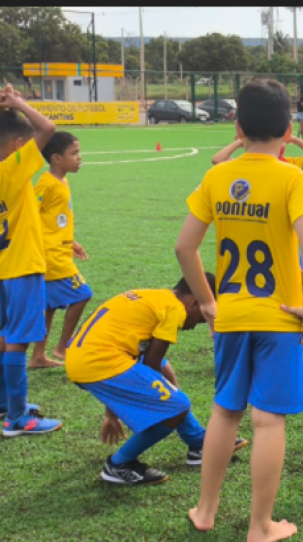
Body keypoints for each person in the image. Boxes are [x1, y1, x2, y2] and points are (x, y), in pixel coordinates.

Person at [177, 79, 303, 542]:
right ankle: (260, 526)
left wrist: (206, 301)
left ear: (238, 127)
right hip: (278, 317)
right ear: (288, 130)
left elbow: (185, 247)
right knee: (268, 421)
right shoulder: (292, 178)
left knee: (224, 412)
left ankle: (205, 510)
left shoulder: (217, 177)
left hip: (233, 315)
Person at [64, 275, 248, 485]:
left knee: (166, 372)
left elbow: (151, 361)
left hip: (83, 358)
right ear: (195, 302)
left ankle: (198, 443)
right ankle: (119, 465)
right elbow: (151, 364)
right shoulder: (174, 309)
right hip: (99, 363)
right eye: (202, 316)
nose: (198, 323)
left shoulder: (154, 296)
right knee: (177, 405)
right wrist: (171, 404)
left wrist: (112, 415)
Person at [0, 85, 63, 436]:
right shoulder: (10, 170)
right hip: (22, 266)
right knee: (18, 341)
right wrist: (20, 104)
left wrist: (10, 106)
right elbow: (47, 129)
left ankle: (5, 403)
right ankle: (17, 418)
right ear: (16, 148)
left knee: (4, 336)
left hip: (2, 268)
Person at [28, 132, 92, 369]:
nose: (79, 158)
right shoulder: (46, 183)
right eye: (73, 153)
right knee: (83, 294)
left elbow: (55, 220)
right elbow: (30, 213)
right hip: (51, 256)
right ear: (56, 158)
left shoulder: (62, 181)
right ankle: (62, 346)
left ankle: (38, 357)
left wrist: (71, 242)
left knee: (49, 306)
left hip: (59, 250)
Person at [212, 134, 303, 172]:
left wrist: (295, 139)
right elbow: (217, 160)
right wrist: (241, 141)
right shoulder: (247, 162)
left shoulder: (290, 163)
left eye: (282, 141)